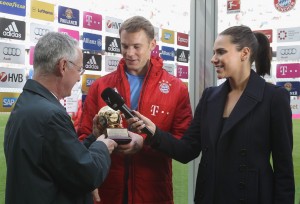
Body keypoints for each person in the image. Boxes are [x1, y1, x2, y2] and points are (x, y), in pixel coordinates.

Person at [128, 25, 295, 204]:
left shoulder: (274, 98)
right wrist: (154, 132)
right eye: (214, 52)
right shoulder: (210, 97)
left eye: (221, 52)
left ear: (244, 53)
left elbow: (284, 170)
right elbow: (187, 150)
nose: (213, 59)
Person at [77, 16, 193, 204]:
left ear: (152, 44)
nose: (129, 53)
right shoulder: (100, 87)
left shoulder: (176, 89)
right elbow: (83, 139)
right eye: (124, 46)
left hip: (153, 194)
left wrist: (147, 140)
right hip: (108, 193)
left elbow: (183, 146)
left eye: (136, 46)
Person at [4, 32, 118, 204]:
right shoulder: (50, 114)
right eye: (79, 69)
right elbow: (87, 175)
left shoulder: (28, 103)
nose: (80, 77)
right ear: (63, 66)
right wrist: (102, 145)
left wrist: (93, 138)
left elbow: (61, 158)